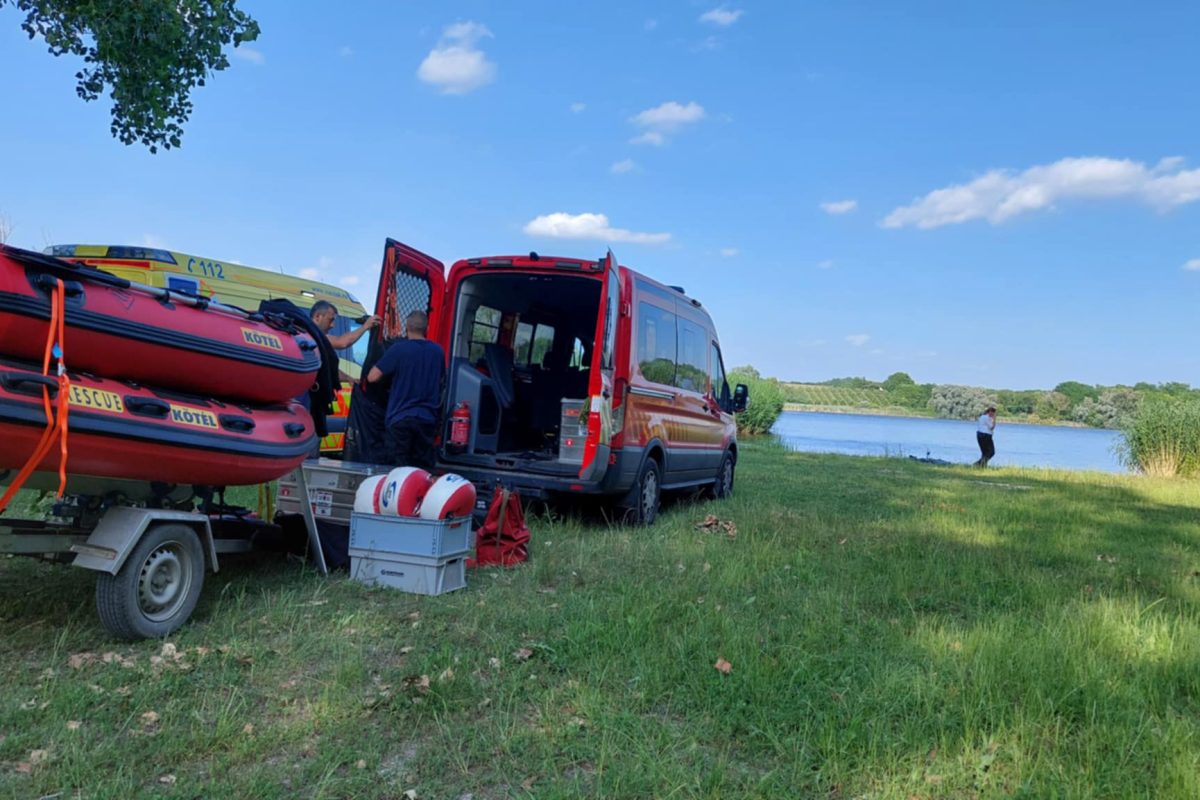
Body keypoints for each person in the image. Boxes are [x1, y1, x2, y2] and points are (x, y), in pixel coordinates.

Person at [366, 310, 445, 470]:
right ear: (426, 328)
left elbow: (372, 377)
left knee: (396, 471)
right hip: (427, 420)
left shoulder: (398, 350)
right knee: (422, 471)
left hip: (400, 418)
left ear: (407, 328)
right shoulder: (438, 352)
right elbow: (441, 379)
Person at [309, 300, 379, 354]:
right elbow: (342, 342)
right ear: (317, 317)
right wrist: (365, 326)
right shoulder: (311, 335)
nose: (332, 325)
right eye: (330, 320)